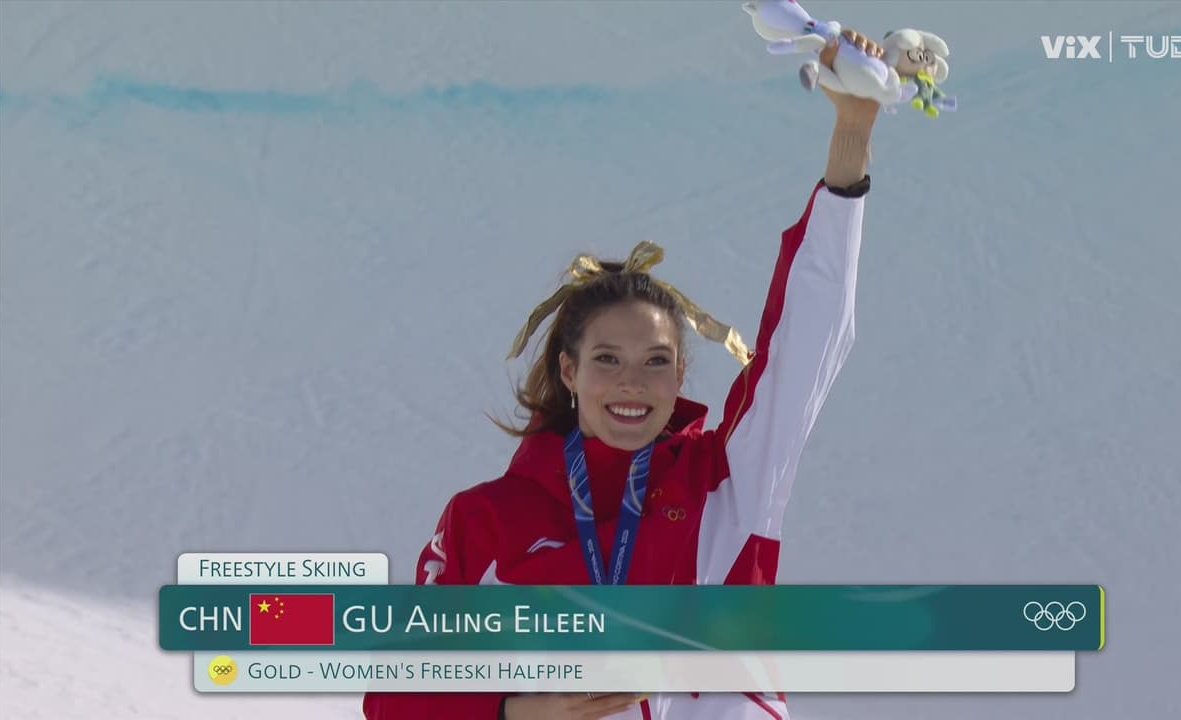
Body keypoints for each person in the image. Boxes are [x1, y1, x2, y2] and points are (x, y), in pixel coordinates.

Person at [365, 28, 887, 720]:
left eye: (657, 363)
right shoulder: (486, 520)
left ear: (680, 382)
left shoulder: (729, 480)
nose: (633, 383)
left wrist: (851, 139)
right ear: (569, 371)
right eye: (607, 361)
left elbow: (807, 340)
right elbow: (395, 698)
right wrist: (520, 710)